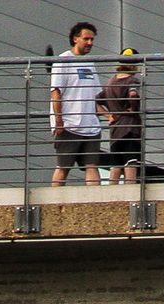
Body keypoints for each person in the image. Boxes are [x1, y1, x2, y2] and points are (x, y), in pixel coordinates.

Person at [50, 22, 105, 187]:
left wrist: (108, 115)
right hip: (69, 125)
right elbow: (55, 92)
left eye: (92, 39)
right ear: (75, 39)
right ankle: (54, 202)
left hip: (91, 127)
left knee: (92, 165)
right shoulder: (63, 61)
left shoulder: (90, 64)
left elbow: (95, 97)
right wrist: (59, 122)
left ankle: (95, 202)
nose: (90, 43)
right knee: (64, 166)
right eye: (86, 39)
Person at [98, 50, 144, 186]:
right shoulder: (133, 80)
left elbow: (96, 101)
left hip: (115, 129)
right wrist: (132, 108)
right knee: (131, 163)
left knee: (115, 165)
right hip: (130, 128)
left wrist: (108, 115)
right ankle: (130, 192)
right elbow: (133, 94)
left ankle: (112, 197)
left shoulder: (109, 83)